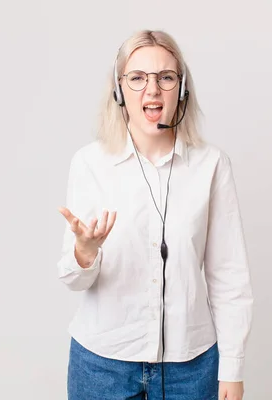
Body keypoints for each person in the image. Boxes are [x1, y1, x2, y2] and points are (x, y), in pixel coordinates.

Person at [57, 29, 254, 400]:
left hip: (191, 367)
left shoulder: (212, 166)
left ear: (181, 89)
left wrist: (233, 367)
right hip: (102, 365)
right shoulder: (89, 163)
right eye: (137, 78)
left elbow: (229, 275)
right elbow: (73, 279)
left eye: (165, 77)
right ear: (119, 91)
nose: (152, 90)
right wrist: (85, 251)